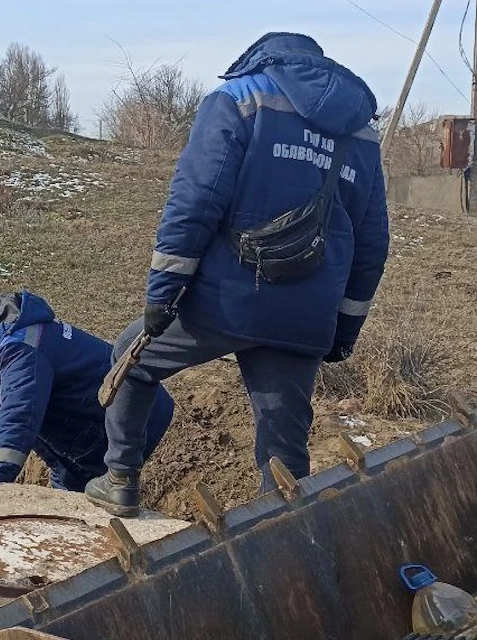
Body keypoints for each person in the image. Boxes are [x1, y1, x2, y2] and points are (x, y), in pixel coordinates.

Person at [85, 32, 389, 516]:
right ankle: (285, 534)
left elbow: (195, 204)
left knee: (130, 359)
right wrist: (343, 330)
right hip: (305, 316)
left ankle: (120, 477)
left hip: (226, 300)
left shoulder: (241, 98)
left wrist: (162, 298)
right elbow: (373, 244)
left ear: (262, 57)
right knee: (284, 445)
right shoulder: (362, 132)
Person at [0, 290, 175, 496]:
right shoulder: (5, 337)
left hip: (130, 420)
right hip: (95, 430)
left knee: (99, 513)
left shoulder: (17, 350)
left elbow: (21, 411)